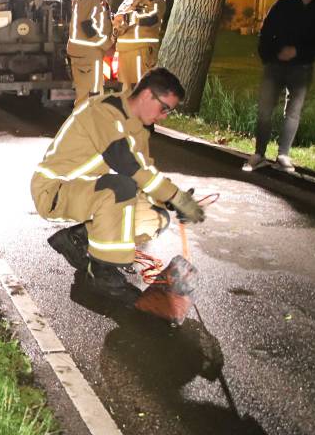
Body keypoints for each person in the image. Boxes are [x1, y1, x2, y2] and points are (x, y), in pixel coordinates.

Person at [32, 68, 205, 303]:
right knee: (121, 188)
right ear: (146, 96)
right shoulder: (102, 111)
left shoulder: (138, 131)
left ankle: (78, 240)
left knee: (156, 217)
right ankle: (102, 273)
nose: (164, 116)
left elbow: (147, 176)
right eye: (164, 108)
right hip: (54, 190)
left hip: (85, 189)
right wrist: (178, 197)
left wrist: (172, 202)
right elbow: (129, 166)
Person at [245, 0, 315, 173]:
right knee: (265, 109)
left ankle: (283, 155)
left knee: (293, 112)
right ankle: (259, 153)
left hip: (302, 67)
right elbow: (266, 32)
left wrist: (299, 51)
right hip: (275, 65)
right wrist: (270, 55)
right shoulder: (283, 5)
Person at [113, 0, 166, 96]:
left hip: (142, 50)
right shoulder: (127, 1)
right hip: (124, 51)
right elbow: (117, 21)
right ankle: (127, 115)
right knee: (125, 90)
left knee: (142, 87)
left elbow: (152, 19)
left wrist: (129, 17)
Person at [67, 0, 114, 105]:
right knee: (88, 98)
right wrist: (108, 46)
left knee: (92, 96)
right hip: (88, 53)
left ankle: (89, 126)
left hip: (86, 53)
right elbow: (88, 27)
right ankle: (81, 127)